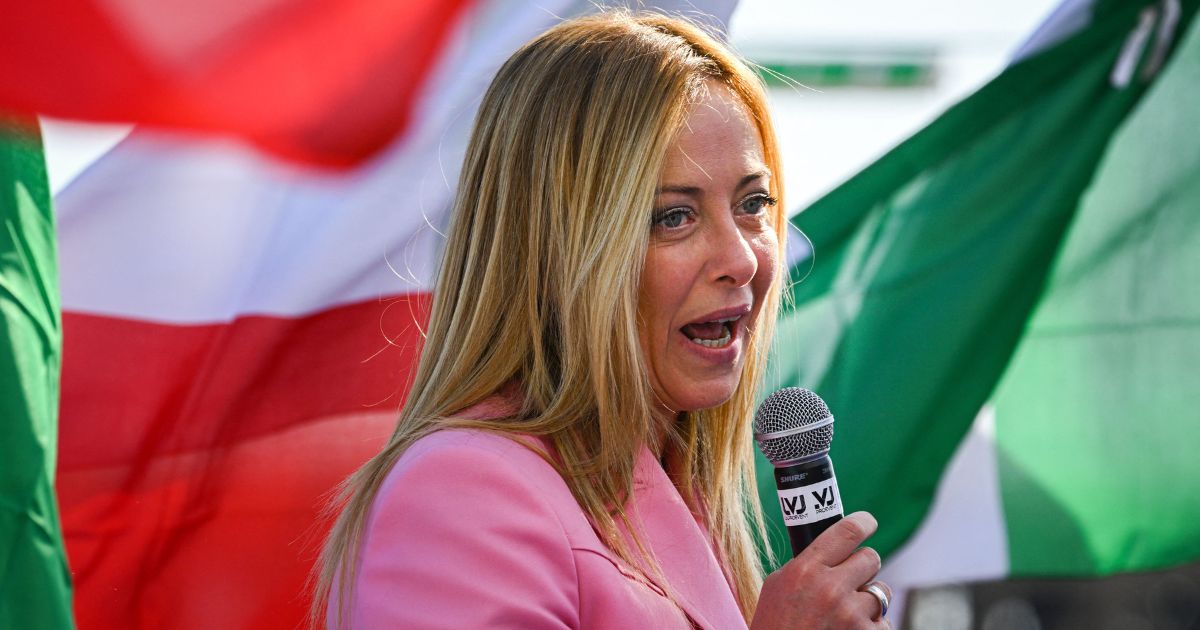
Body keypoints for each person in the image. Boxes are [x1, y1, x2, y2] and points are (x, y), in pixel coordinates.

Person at [314, 10, 891, 629]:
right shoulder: (462, 491)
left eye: (753, 204)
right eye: (673, 217)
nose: (741, 258)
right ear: (555, 251)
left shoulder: (683, 501)